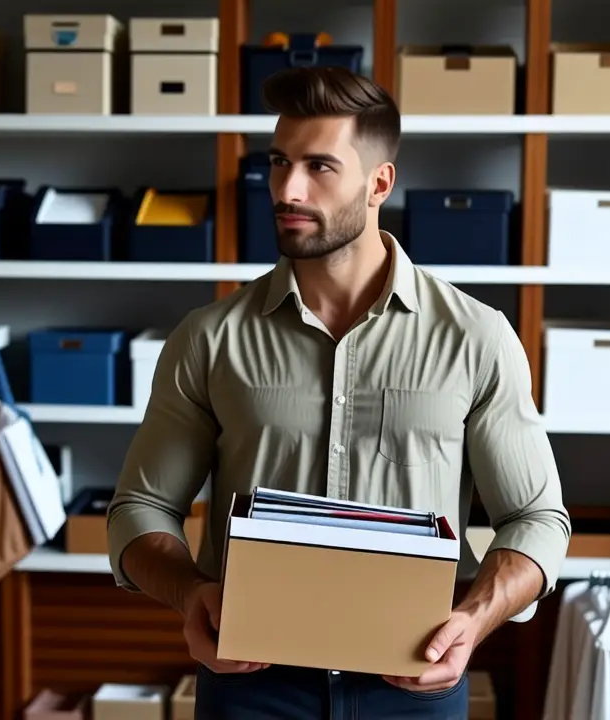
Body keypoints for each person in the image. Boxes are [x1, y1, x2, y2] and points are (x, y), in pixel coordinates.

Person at [107, 65, 571, 718]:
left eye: (319, 167)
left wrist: (475, 618)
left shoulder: (477, 337)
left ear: (379, 182)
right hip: (250, 689)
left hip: (414, 692)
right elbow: (140, 507)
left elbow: (537, 520)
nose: (287, 188)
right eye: (278, 163)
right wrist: (192, 595)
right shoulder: (207, 338)